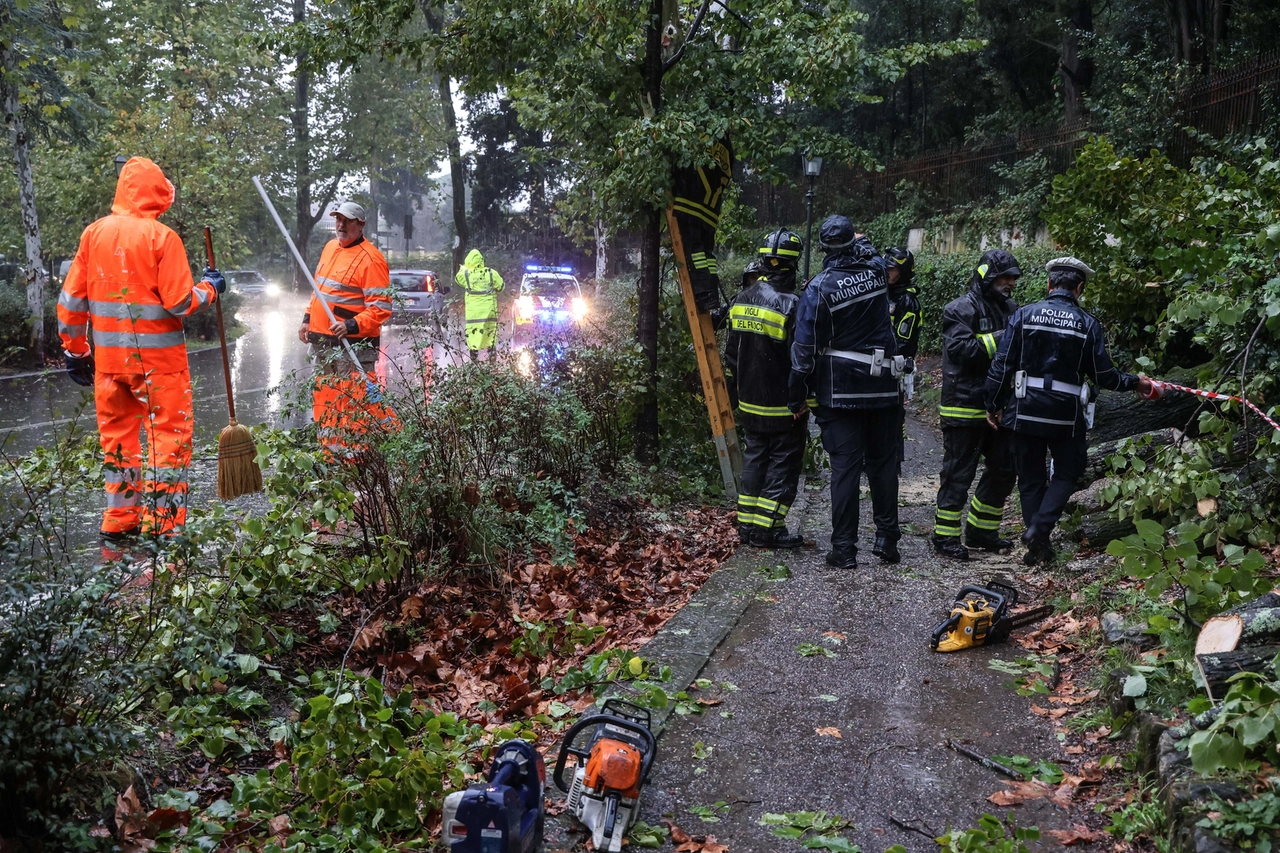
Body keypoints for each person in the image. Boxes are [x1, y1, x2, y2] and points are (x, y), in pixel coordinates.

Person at [57, 156, 225, 539]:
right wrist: (212, 287)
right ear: (157, 194)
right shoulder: (162, 238)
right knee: (167, 440)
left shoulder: (93, 234)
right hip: (159, 366)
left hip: (109, 363)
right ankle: (163, 527)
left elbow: (70, 304)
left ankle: (120, 520)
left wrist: (75, 350)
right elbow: (180, 302)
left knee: (117, 440)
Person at [986, 257, 1153, 565]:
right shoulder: (1088, 323)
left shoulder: (1023, 315)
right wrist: (1137, 382)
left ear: (1049, 285)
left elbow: (1002, 364)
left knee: (1030, 478)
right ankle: (1040, 535)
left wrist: (993, 404)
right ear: (1079, 288)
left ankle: (1035, 537)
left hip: (1024, 410)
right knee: (1068, 471)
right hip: (1064, 416)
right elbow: (1105, 377)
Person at [790, 216, 902, 569]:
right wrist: (861, 241)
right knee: (883, 466)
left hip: (840, 392)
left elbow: (804, 349)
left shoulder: (819, 288)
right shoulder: (876, 272)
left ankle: (844, 549)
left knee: (846, 470)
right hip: (883, 387)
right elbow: (871, 255)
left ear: (824, 248)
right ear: (855, 241)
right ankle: (886, 541)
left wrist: (797, 394)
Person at [933, 248, 1021, 561]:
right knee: (958, 474)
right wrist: (1004, 337)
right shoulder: (959, 308)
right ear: (987, 276)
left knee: (1004, 469)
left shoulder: (1011, 308)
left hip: (1000, 406)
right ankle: (945, 536)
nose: (1010, 282)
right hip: (964, 407)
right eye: (1005, 277)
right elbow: (960, 350)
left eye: (1013, 277)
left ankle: (982, 531)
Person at [725, 230, 807, 549]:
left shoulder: (742, 299)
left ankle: (747, 527)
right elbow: (800, 361)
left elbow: (732, 353)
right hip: (783, 406)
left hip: (749, 403)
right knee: (783, 468)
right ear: (793, 264)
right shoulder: (793, 304)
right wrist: (800, 400)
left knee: (755, 461)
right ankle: (769, 530)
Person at [296, 201, 394, 454]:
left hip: (353, 348)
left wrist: (351, 325)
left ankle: (356, 457)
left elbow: (381, 307)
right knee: (326, 399)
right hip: (324, 344)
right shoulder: (330, 248)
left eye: (347, 220)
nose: (340, 225)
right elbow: (319, 290)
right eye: (338, 219)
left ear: (360, 225)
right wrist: (307, 318)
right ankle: (330, 453)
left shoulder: (371, 260)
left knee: (353, 403)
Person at [885, 246, 921, 466]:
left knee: (893, 416)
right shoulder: (884, 293)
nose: (887, 273)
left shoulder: (907, 301)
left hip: (893, 366)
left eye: (892, 269)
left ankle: (893, 462)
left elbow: (904, 341)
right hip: (880, 364)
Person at [455, 249, 505, 359]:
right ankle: (492, 364)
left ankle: (474, 365)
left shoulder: (466, 275)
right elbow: (501, 287)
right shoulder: (491, 273)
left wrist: (463, 268)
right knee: (491, 337)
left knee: (473, 338)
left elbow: (458, 278)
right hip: (489, 314)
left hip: (474, 316)